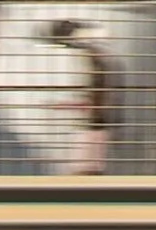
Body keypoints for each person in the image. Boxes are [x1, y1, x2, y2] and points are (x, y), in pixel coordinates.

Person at [48, 18, 117, 175]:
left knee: (85, 171)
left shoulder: (92, 58)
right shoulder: (94, 56)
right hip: (91, 123)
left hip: (91, 125)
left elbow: (95, 94)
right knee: (85, 170)